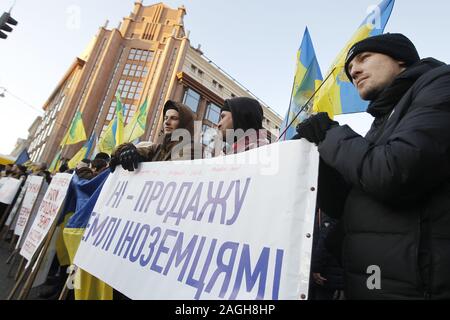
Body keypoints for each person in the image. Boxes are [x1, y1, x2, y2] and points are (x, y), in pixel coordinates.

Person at [294, 33, 450, 299]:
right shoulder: (382, 121)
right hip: (372, 281)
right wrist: (324, 162)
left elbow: (393, 172)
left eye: (364, 58)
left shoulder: (440, 84)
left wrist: (330, 135)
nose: (354, 70)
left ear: (400, 58)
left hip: (415, 287)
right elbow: (350, 202)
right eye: (350, 68)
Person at [110, 100, 202, 171]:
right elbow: (116, 152)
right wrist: (127, 150)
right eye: (165, 118)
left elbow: (170, 172)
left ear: (184, 123)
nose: (167, 122)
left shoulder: (192, 148)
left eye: (174, 118)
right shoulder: (158, 148)